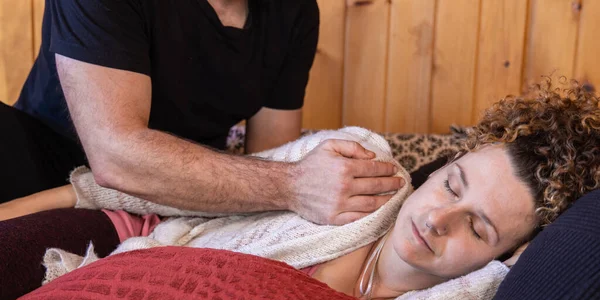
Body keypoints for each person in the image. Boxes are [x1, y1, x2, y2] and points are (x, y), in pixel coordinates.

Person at [2, 79, 599, 300]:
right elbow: (165, 190)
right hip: (127, 241)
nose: (440, 218)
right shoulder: (358, 165)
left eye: (479, 227)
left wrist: (503, 276)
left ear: (504, 258)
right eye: (451, 183)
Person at [0, 0, 402, 225]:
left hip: (180, 195)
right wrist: (295, 184)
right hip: (39, 162)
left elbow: (270, 155)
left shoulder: (293, 12)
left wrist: (301, 186)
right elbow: (115, 155)